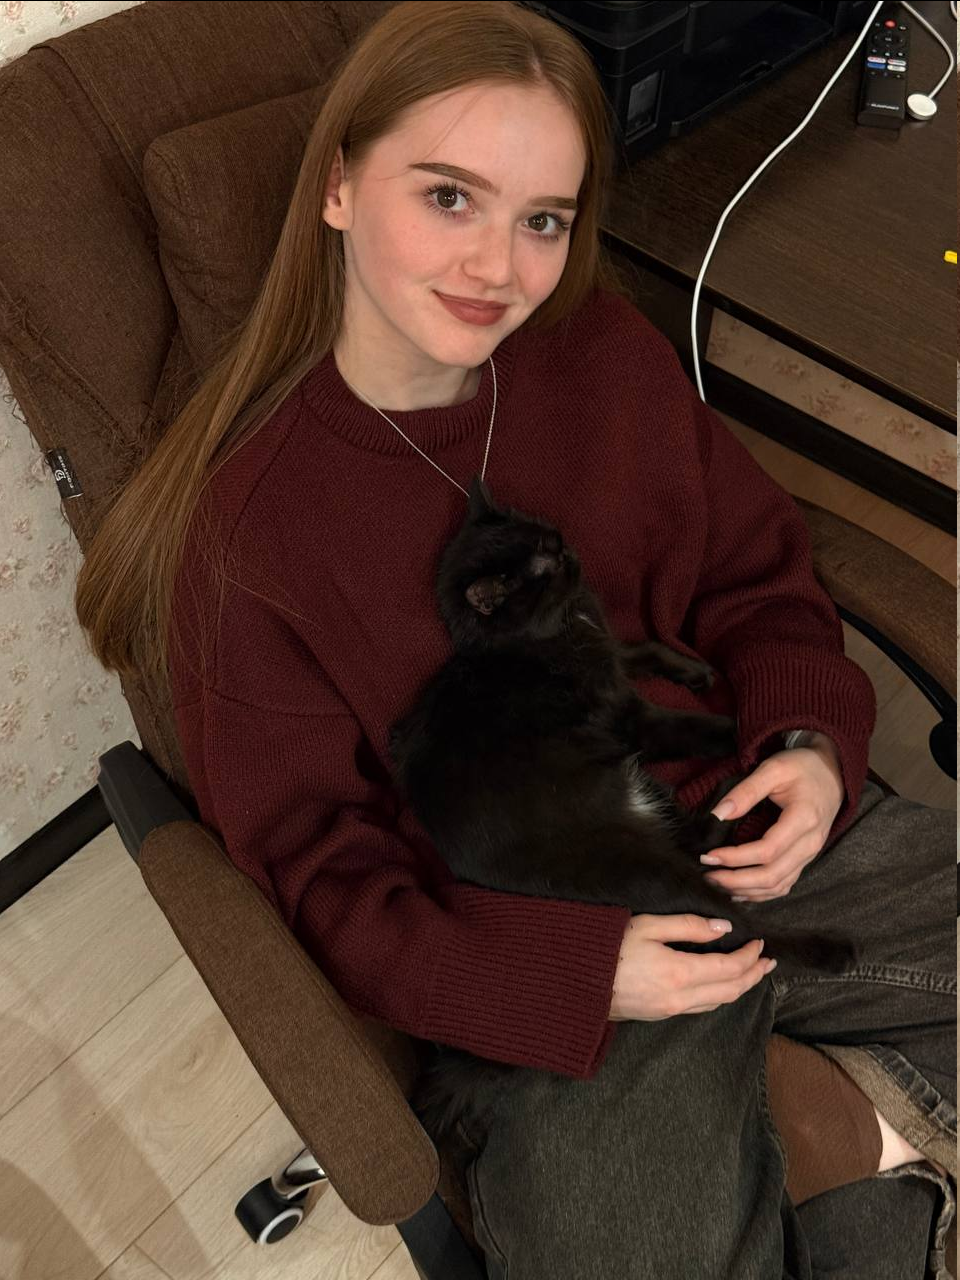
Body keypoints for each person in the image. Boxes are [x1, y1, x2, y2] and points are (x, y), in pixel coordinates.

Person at [73, 3, 956, 1276]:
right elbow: (321, 875)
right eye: (449, 197)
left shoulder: (600, 353)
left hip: (752, 846)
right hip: (549, 956)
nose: (499, 265)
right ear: (337, 187)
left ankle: (828, 1119)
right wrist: (575, 976)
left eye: (542, 218)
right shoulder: (247, 535)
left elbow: (753, 573)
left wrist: (811, 741)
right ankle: (850, 1132)